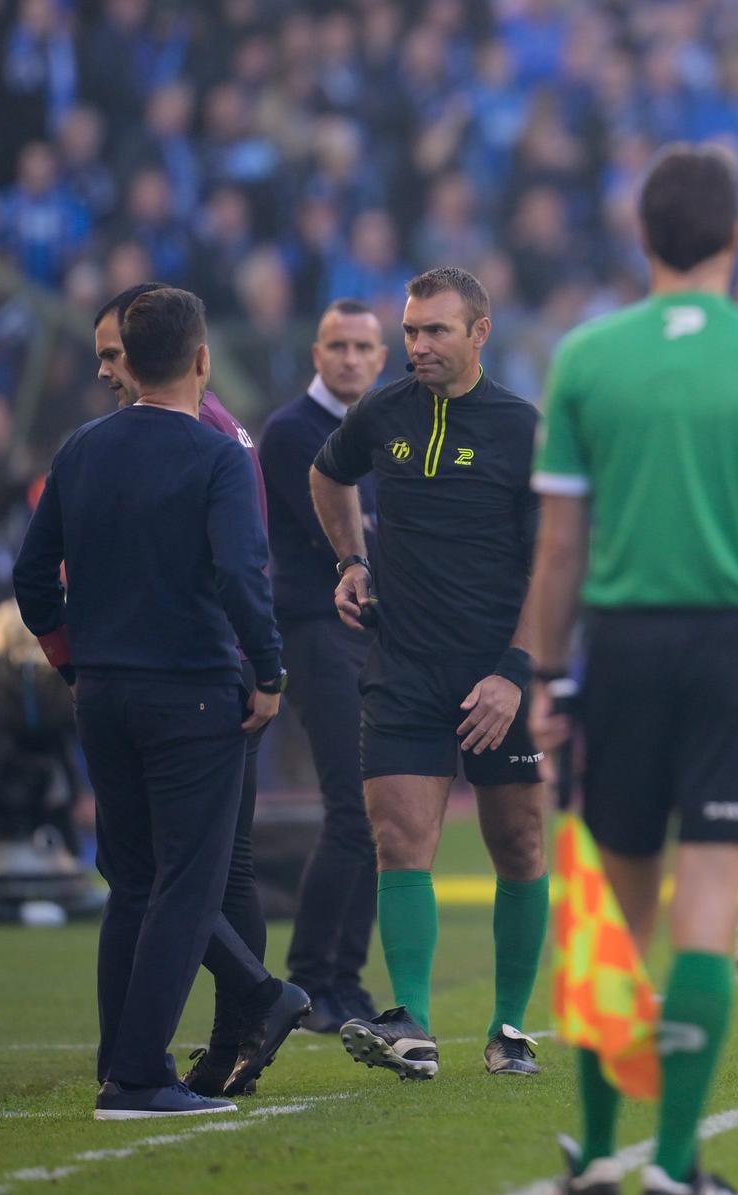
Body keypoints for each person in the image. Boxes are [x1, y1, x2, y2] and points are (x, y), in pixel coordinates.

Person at [524, 144, 738, 1195]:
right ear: (737, 237)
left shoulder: (586, 356)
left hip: (622, 644)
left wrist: (546, 674)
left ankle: (597, 1147)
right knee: (710, 899)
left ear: (641, 236)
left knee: (616, 908)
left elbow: (560, 547)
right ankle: (672, 1164)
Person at [14, 287, 305, 1119]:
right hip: (192, 697)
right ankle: (140, 1076)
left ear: (127, 363)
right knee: (186, 884)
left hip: (101, 693)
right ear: (203, 360)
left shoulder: (80, 447)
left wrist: (72, 658)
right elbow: (241, 574)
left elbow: (33, 576)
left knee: (132, 881)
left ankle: (122, 1062)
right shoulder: (215, 455)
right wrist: (270, 672)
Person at [310, 267, 550, 1081]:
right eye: (410, 331)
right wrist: (351, 559)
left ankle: (510, 1026)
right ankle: (411, 1022)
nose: (416, 345)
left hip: (499, 675)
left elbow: (555, 565)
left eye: (434, 331)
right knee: (400, 841)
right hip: (404, 665)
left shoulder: (523, 428)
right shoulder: (382, 413)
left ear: (479, 333)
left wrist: (514, 673)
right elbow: (327, 471)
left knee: (518, 844)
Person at [259, 298, 388, 1033]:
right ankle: (313, 978)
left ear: (379, 358)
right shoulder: (289, 434)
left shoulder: (378, 429)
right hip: (318, 627)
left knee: (378, 809)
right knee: (352, 807)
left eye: (362, 347)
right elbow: (335, 533)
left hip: (370, 632)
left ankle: (344, 977)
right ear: (317, 354)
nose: (348, 358)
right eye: (336, 345)